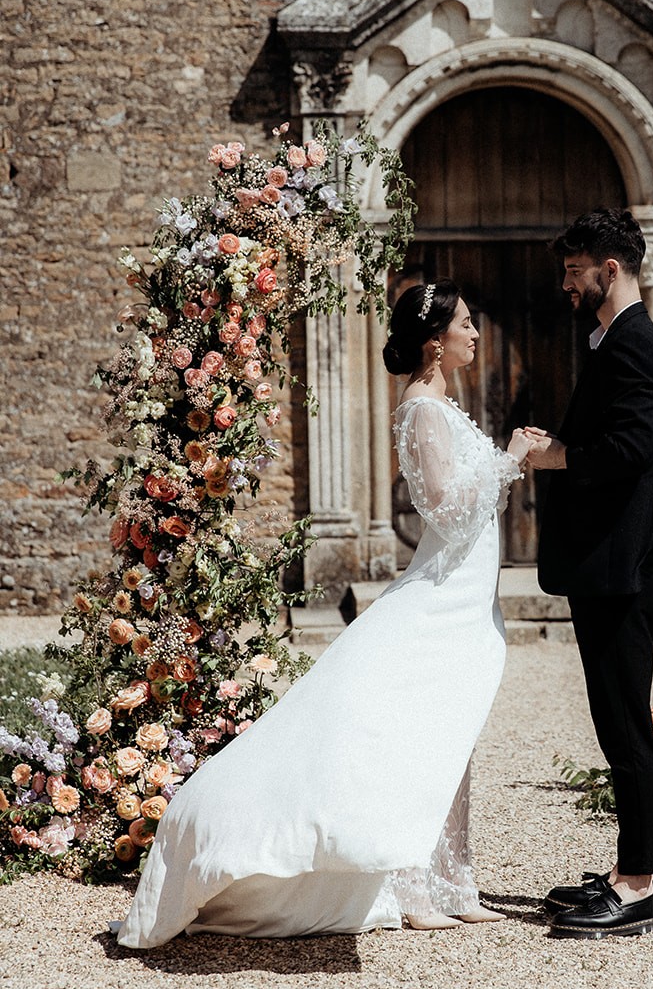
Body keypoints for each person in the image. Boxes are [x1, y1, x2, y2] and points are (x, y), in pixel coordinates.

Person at [114, 281, 533, 947]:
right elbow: (445, 512)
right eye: (464, 323)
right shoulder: (422, 408)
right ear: (434, 339)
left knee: (453, 732)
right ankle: (410, 885)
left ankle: (456, 882)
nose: (475, 333)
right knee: (411, 732)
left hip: (467, 595)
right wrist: (508, 460)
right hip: (441, 592)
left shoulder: (445, 405)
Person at [525, 208, 653, 940]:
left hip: (620, 567)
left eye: (572, 271)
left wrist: (555, 457)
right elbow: (610, 439)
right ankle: (624, 872)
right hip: (605, 564)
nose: (566, 285)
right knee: (614, 722)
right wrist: (558, 441)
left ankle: (638, 886)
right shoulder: (616, 340)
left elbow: (632, 449)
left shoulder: (636, 344)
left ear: (607, 270)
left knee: (625, 725)